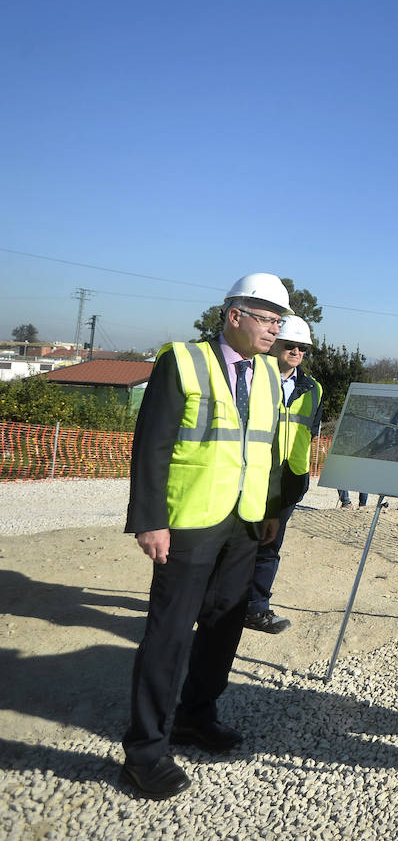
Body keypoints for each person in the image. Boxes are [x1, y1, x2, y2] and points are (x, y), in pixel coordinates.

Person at [120, 273, 291, 800]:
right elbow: (151, 444)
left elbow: (268, 444)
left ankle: (197, 717)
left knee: (222, 626)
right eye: (267, 319)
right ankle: (145, 751)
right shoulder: (184, 361)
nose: (276, 331)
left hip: (243, 523)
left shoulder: (266, 372)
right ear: (234, 316)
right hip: (189, 522)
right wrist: (150, 519)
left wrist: (269, 510)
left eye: (279, 320)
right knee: (169, 634)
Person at [244, 315, 322, 634]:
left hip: (289, 480)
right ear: (273, 343)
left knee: (269, 546)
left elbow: (311, 432)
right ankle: (215, 603)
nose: (296, 352)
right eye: (290, 345)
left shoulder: (313, 388)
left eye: (302, 347)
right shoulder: (250, 377)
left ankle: (254, 608)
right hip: (251, 475)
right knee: (235, 544)